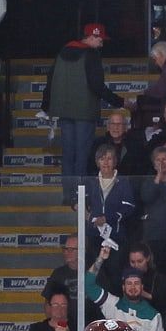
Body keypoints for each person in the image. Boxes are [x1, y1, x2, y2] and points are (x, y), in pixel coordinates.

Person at [43, 23, 126, 200]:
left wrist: (46, 105)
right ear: (91, 37)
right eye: (100, 39)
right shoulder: (91, 55)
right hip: (85, 113)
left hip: (64, 112)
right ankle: (79, 196)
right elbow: (97, 86)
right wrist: (120, 101)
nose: (102, 43)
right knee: (82, 155)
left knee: (68, 155)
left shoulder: (62, 52)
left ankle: (68, 195)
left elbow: (50, 79)